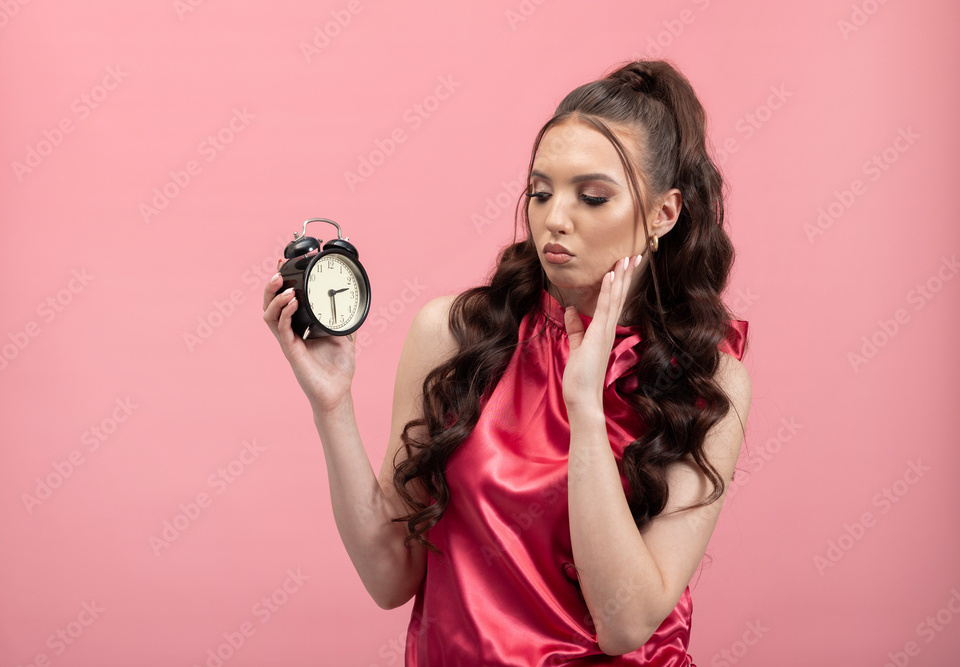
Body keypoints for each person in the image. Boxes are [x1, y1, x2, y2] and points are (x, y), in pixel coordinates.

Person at [262, 58, 751, 666]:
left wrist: (585, 408)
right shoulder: (456, 336)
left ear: (663, 214)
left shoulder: (706, 380)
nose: (555, 219)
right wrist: (332, 406)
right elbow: (390, 576)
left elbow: (625, 624)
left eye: (592, 197)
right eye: (541, 192)